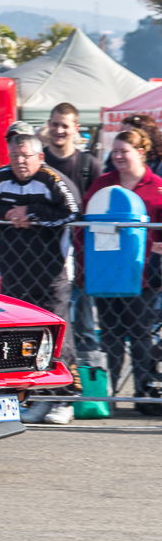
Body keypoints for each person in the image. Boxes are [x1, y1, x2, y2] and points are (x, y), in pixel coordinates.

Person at [0, 134, 81, 424]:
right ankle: (30, 396)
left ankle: (64, 398)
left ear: (39, 157)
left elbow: (72, 211)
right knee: (19, 338)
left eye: (26, 156)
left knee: (57, 336)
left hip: (51, 275)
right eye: (15, 155)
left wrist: (31, 213)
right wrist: (7, 214)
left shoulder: (52, 180)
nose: (19, 161)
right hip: (13, 273)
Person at [83, 129, 162, 411]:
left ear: (140, 153)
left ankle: (142, 394)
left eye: (123, 151)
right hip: (106, 274)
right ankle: (109, 395)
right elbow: (84, 225)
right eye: (114, 151)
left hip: (143, 275)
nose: (117, 156)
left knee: (140, 334)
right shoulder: (103, 184)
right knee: (110, 335)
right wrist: (84, 265)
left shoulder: (157, 186)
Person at [43, 103, 98, 193]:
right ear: (49, 124)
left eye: (65, 126)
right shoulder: (35, 161)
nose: (59, 131)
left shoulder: (89, 165)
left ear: (76, 129)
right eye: (55, 124)